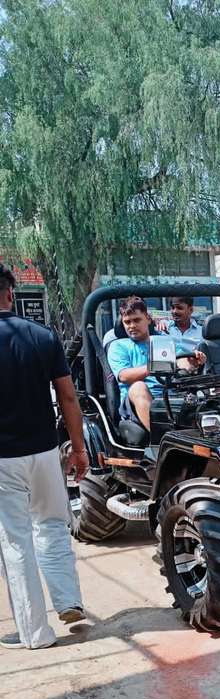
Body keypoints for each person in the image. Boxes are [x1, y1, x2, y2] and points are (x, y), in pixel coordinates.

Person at [0, 263, 87, 650]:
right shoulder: (41, 336)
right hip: (45, 452)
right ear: (10, 293)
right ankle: (69, 601)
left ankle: (36, 633)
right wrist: (79, 448)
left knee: (16, 543)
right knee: (52, 524)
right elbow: (68, 397)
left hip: (3, 460)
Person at [107, 296, 204, 431]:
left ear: (148, 318)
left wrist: (193, 361)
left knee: (202, 392)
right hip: (136, 403)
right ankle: (160, 439)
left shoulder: (163, 340)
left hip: (170, 395)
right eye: (127, 322)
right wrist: (156, 365)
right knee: (138, 387)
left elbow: (182, 360)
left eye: (136, 320)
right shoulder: (118, 346)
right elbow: (124, 376)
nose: (132, 326)